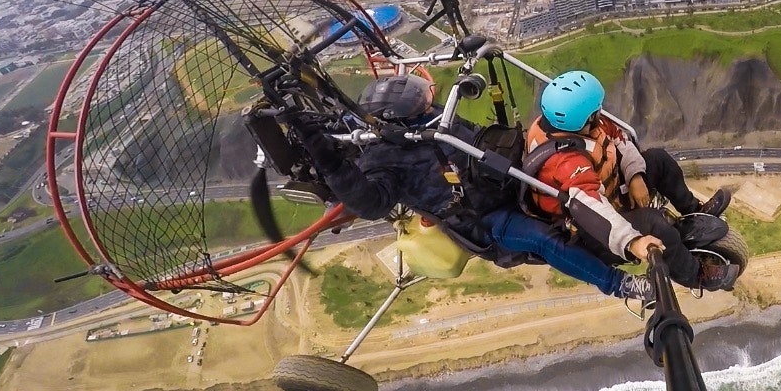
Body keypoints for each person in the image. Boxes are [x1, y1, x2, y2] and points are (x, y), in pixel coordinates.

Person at [293, 74, 658, 301]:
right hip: (485, 216)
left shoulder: (430, 118)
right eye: (421, 102)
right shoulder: (384, 163)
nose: (427, 104)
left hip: (505, 174)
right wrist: (323, 154)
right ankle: (620, 286)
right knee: (546, 240)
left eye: (424, 99)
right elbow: (369, 203)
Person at [524, 70, 740, 291]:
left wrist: (635, 176)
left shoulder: (578, 124)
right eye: (596, 110)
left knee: (658, 159)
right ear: (585, 117)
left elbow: (619, 139)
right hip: (593, 229)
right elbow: (590, 207)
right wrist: (632, 242)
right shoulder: (565, 162)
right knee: (654, 222)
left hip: (611, 193)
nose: (600, 112)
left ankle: (694, 210)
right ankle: (696, 275)